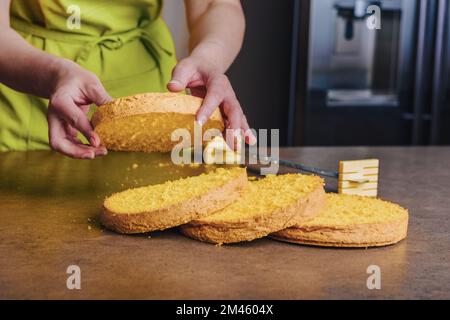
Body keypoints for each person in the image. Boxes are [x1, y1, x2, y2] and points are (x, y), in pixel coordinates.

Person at [0, 0, 255, 159]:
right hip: (29, 84)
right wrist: (53, 76)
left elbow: (215, 4)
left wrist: (209, 57)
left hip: (151, 95)